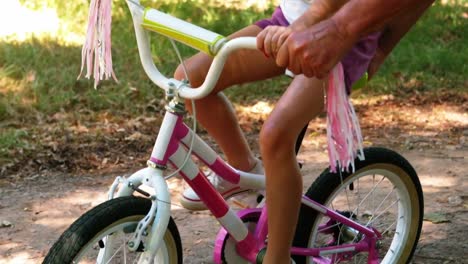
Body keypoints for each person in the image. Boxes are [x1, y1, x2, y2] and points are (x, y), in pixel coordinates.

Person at [174, 0, 434, 263]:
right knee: (190, 78)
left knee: (276, 136)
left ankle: (278, 258)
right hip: (287, 24)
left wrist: (379, 47)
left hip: (341, 43)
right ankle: (244, 169)